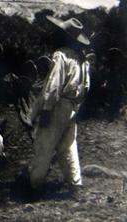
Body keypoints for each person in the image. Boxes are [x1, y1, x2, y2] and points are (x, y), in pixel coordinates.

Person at [28, 16, 91, 193]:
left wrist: (46, 109)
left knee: (45, 144)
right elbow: (86, 87)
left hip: (58, 104)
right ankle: (75, 183)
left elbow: (53, 86)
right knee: (68, 145)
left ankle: (35, 183)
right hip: (72, 107)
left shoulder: (61, 55)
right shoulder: (82, 60)